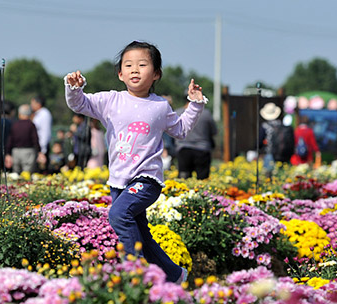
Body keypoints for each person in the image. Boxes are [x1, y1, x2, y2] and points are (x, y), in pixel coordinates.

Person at [64, 40, 206, 284]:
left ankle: (136, 273)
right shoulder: (111, 100)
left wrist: (194, 104)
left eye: (142, 64)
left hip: (147, 179)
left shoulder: (160, 106)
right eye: (128, 65)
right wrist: (74, 89)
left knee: (118, 214)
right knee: (141, 234)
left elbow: (181, 130)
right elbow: (80, 104)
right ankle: (175, 274)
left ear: (156, 74)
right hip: (119, 180)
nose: (135, 70)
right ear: (120, 74)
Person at [175, 93, 217, 179]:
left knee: (183, 179)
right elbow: (214, 131)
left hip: (183, 149)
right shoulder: (206, 113)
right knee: (203, 179)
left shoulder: (177, 112)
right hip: (202, 149)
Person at [4, 104, 44, 174]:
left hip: (15, 152)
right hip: (28, 152)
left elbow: (10, 140)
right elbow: (35, 139)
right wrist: (39, 151)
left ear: (19, 114)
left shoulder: (15, 125)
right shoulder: (31, 125)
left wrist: (8, 154)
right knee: (27, 174)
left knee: (16, 174)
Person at [30, 95, 52, 172]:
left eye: (33, 103)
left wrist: (42, 150)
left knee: (41, 170)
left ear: (38, 104)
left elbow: (45, 132)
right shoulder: (38, 114)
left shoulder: (44, 114)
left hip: (42, 146)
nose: (31, 106)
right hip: (38, 146)